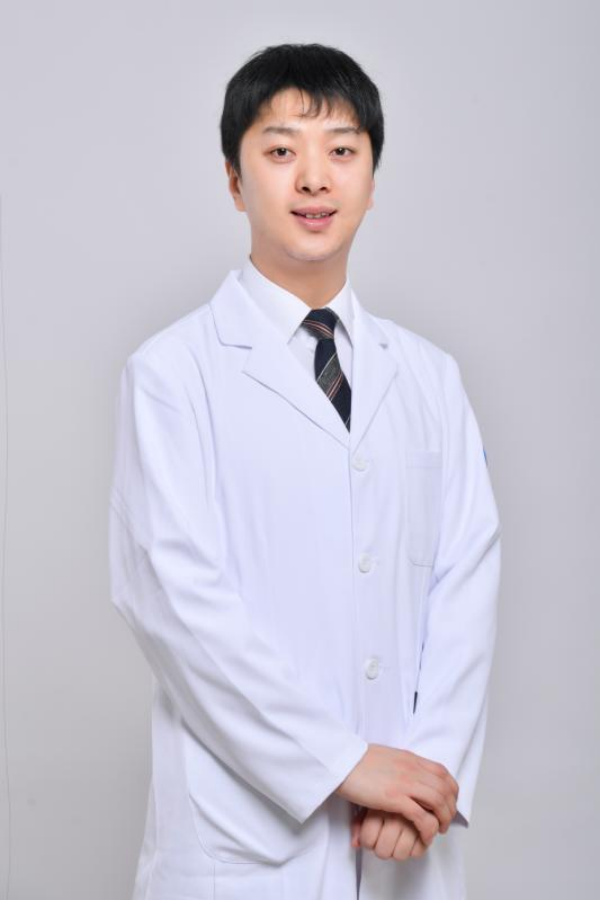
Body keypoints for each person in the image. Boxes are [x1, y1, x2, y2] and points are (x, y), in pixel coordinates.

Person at [108, 42, 502, 900]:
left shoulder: (431, 378)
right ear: (234, 179)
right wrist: (343, 764)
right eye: (282, 150)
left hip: (403, 834)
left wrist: (423, 776)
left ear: (372, 177)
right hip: (245, 842)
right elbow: (173, 599)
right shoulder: (172, 374)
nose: (315, 178)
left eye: (342, 150)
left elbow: (465, 584)